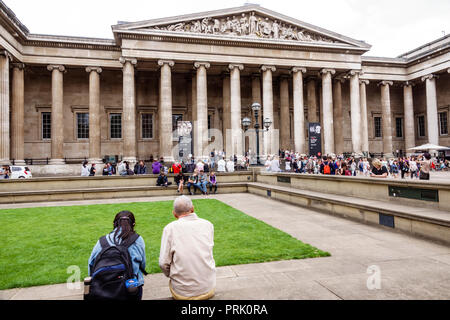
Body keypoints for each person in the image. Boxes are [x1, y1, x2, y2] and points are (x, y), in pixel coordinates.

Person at [159, 196, 216, 300]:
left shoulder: (170, 228)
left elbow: (163, 263)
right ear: (193, 209)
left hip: (183, 293)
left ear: (174, 214)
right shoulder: (208, 225)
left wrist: (171, 274)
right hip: (208, 287)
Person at [87, 211, 146, 300]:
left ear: (114, 223)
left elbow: (91, 264)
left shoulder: (102, 241)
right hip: (130, 288)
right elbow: (142, 264)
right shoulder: (138, 240)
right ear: (133, 224)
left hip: (103, 287)